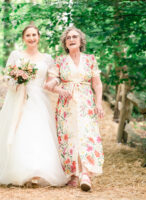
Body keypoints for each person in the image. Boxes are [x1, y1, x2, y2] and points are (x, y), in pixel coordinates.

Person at [0, 25, 68, 187]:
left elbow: (54, 77)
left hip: (39, 100)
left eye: (34, 34)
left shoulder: (47, 58)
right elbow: (7, 76)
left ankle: (37, 172)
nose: (32, 38)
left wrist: (56, 84)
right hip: (18, 98)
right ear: (23, 38)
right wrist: (18, 80)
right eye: (28, 35)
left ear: (39, 37)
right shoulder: (16, 55)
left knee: (38, 133)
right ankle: (18, 172)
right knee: (19, 131)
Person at [45, 27, 104, 192]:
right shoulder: (60, 61)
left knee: (86, 134)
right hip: (66, 104)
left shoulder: (90, 59)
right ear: (65, 43)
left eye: (74, 37)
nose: (71, 39)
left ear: (81, 40)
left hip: (86, 102)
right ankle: (73, 173)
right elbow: (52, 82)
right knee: (69, 136)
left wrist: (98, 104)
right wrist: (58, 89)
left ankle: (85, 173)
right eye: (68, 38)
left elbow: (97, 84)